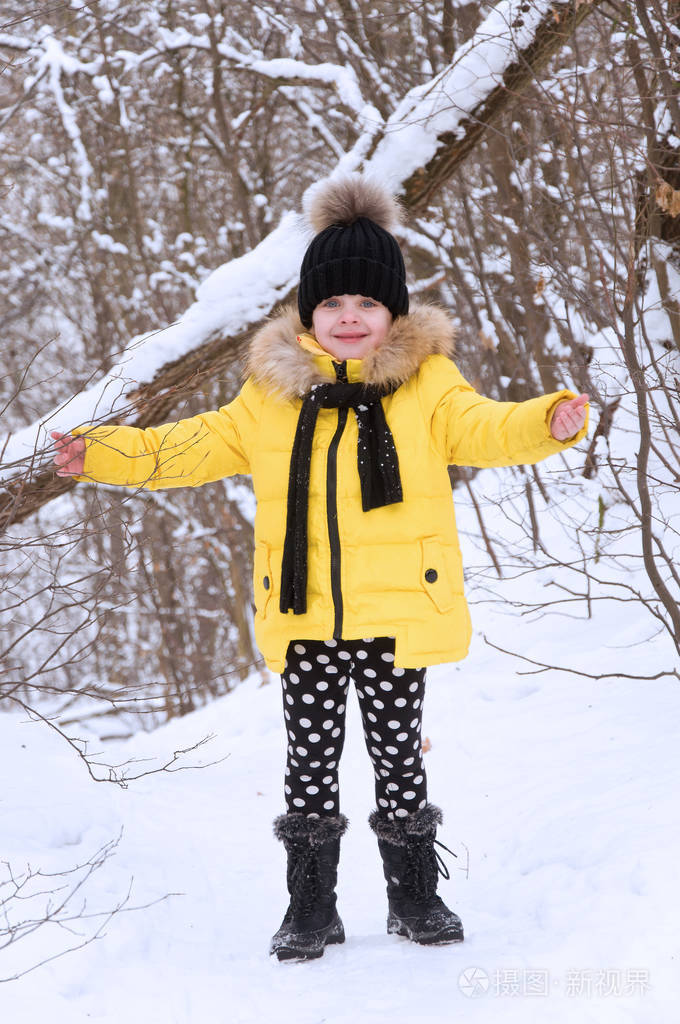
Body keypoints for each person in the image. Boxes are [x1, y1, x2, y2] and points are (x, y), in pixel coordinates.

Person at [52, 174, 589, 962]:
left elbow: (487, 428)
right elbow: (185, 447)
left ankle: (415, 896)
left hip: (398, 616)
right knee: (309, 763)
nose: (349, 316)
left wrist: (548, 420)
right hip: (304, 615)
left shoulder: (428, 388)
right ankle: (310, 906)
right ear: (308, 313)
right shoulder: (269, 396)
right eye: (332, 302)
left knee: (398, 757)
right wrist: (101, 452)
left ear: (393, 313)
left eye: (367, 302)